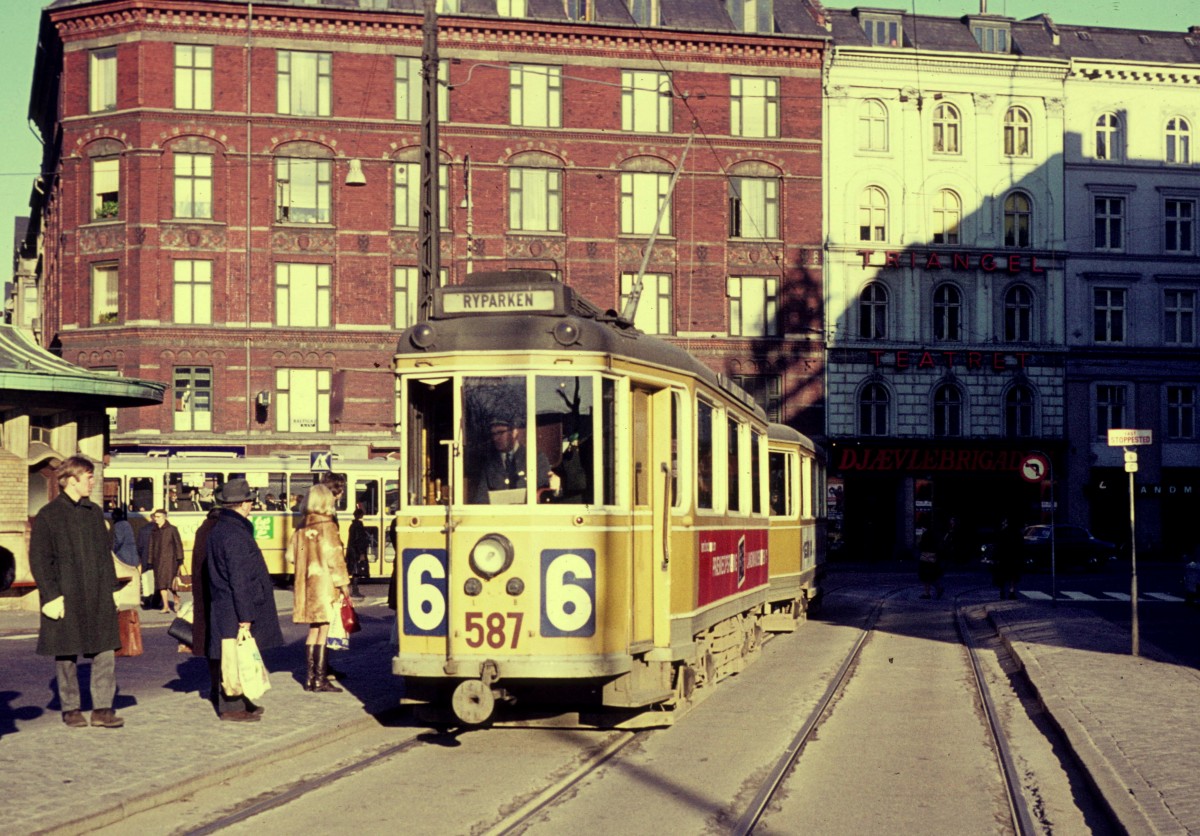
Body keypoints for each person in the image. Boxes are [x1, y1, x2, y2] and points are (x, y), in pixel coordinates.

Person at [29, 456, 125, 729]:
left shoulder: (94, 512)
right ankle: (71, 708)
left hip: (97, 593)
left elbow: (104, 556)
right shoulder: (49, 515)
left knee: (105, 650)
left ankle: (102, 709)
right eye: (89, 477)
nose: (93, 481)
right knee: (66, 652)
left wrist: (112, 589)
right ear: (72, 480)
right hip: (66, 594)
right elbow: (40, 560)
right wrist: (51, 596)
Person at [205, 479, 284, 722]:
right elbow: (239, 578)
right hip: (232, 606)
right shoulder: (234, 534)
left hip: (226, 604)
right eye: (250, 500)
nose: (252, 505)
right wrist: (246, 616)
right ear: (242, 504)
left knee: (235, 656)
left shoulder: (224, 528)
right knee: (233, 657)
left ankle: (242, 701)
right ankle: (232, 708)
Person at [291, 484, 351, 693]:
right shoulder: (328, 526)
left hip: (306, 585)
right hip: (324, 585)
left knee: (313, 630)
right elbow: (335, 558)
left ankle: (309, 679)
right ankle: (320, 679)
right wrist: (343, 584)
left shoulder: (301, 526)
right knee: (323, 630)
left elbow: (290, 556)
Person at [471, 418, 553, 504]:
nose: (495, 438)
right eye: (493, 434)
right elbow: (481, 499)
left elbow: (543, 492)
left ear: (514, 432)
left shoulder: (535, 458)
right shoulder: (489, 463)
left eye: (500, 433)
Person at [190, 507, 221, 711]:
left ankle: (214, 688)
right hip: (219, 597)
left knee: (212, 645)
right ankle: (224, 692)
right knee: (225, 646)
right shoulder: (222, 530)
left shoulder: (203, 530)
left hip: (203, 597)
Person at [147, 509, 184, 613]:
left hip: (170, 561)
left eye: (158, 517)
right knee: (161, 584)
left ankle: (176, 598)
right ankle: (166, 606)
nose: (156, 519)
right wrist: (150, 560)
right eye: (155, 516)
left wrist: (180, 559)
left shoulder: (172, 529)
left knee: (170, 584)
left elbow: (178, 545)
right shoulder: (154, 531)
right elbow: (151, 546)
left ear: (165, 517)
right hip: (157, 561)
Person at [110, 507, 142, 611]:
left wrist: (112, 551)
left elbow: (118, 540)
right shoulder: (127, 524)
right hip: (132, 553)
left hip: (123, 555)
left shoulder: (118, 525)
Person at [992, 516, 1024, 600]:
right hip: (1012, 558)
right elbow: (1021, 546)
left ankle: (1003, 592)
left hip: (1005, 558)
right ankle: (1011, 592)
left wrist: (996, 557)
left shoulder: (1003, 533)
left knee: (1004, 576)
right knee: (1012, 576)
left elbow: (998, 546)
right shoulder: (1016, 533)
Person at [917, 523, 945, 599]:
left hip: (926, 557)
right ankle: (937, 588)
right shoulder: (937, 534)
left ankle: (927, 593)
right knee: (932, 576)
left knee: (925, 576)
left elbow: (921, 545)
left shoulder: (925, 534)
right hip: (934, 557)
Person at [346, 507, 369, 599]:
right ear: (360, 515)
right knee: (357, 572)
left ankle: (354, 590)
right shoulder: (359, 525)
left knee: (354, 571)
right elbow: (359, 540)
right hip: (357, 552)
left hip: (352, 551)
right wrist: (362, 553)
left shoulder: (352, 525)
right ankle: (355, 590)